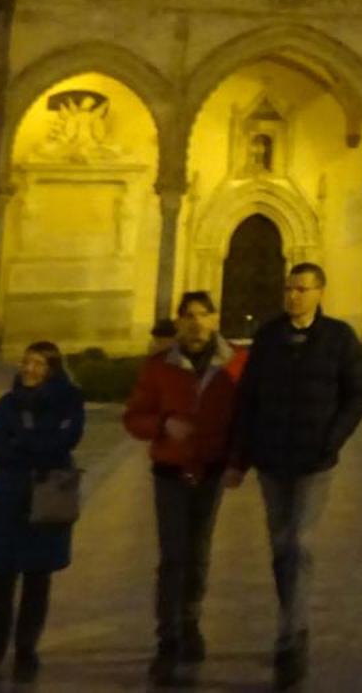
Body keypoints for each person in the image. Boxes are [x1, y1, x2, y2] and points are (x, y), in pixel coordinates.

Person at [226, 263, 362, 690]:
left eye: (302, 289)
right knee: (279, 545)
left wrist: (333, 439)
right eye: (289, 288)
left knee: (298, 541)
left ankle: (291, 633)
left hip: (314, 461)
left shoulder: (339, 338)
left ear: (320, 292)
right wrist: (241, 455)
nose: (293, 296)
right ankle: (293, 622)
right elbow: (248, 397)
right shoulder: (270, 337)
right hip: (272, 459)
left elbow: (357, 394)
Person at [125, 291, 248, 687]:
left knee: (198, 554)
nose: (195, 323)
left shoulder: (236, 365)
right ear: (179, 322)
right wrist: (164, 425)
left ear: (215, 319)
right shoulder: (160, 366)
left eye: (203, 315)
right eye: (188, 316)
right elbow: (134, 417)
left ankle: (191, 621)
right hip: (171, 472)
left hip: (210, 471)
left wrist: (237, 463)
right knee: (173, 556)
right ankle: (168, 639)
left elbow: (245, 416)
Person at [0, 340, 85, 684]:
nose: (29, 369)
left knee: (37, 576)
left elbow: (66, 442)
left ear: (52, 369)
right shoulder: (7, 403)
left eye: (38, 364)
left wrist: (22, 442)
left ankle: (26, 648)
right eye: (26, 362)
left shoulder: (68, 402)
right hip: (7, 495)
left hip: (46, 495)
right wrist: (36, 445)